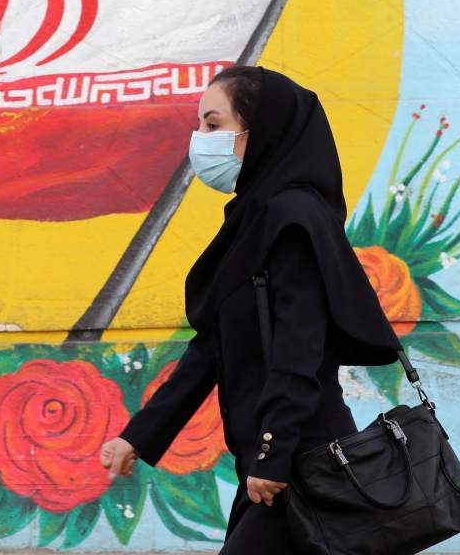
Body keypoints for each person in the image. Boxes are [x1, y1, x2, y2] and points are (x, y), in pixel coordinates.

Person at [99, 64, 404, 552]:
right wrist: (139, 436)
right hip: (272, 469)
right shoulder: (253, 222)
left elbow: (298, 352)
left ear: (259, 132)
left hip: (301, 465)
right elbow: (210, 350)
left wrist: (272, 454)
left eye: (214, 125)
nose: (200, 138)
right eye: (201, 124)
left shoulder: (294, 222)